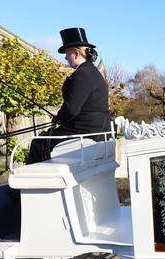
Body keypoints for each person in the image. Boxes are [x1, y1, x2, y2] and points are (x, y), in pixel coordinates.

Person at [26, 27, 110, 164]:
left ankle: (34, 184)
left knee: (38, 143)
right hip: (98, 131)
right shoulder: (95, 74)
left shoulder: (81, 76)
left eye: (67, 53)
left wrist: (59, 118)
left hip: (84, 133)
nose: (65, 57)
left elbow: (71, 109)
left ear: (76, 54)